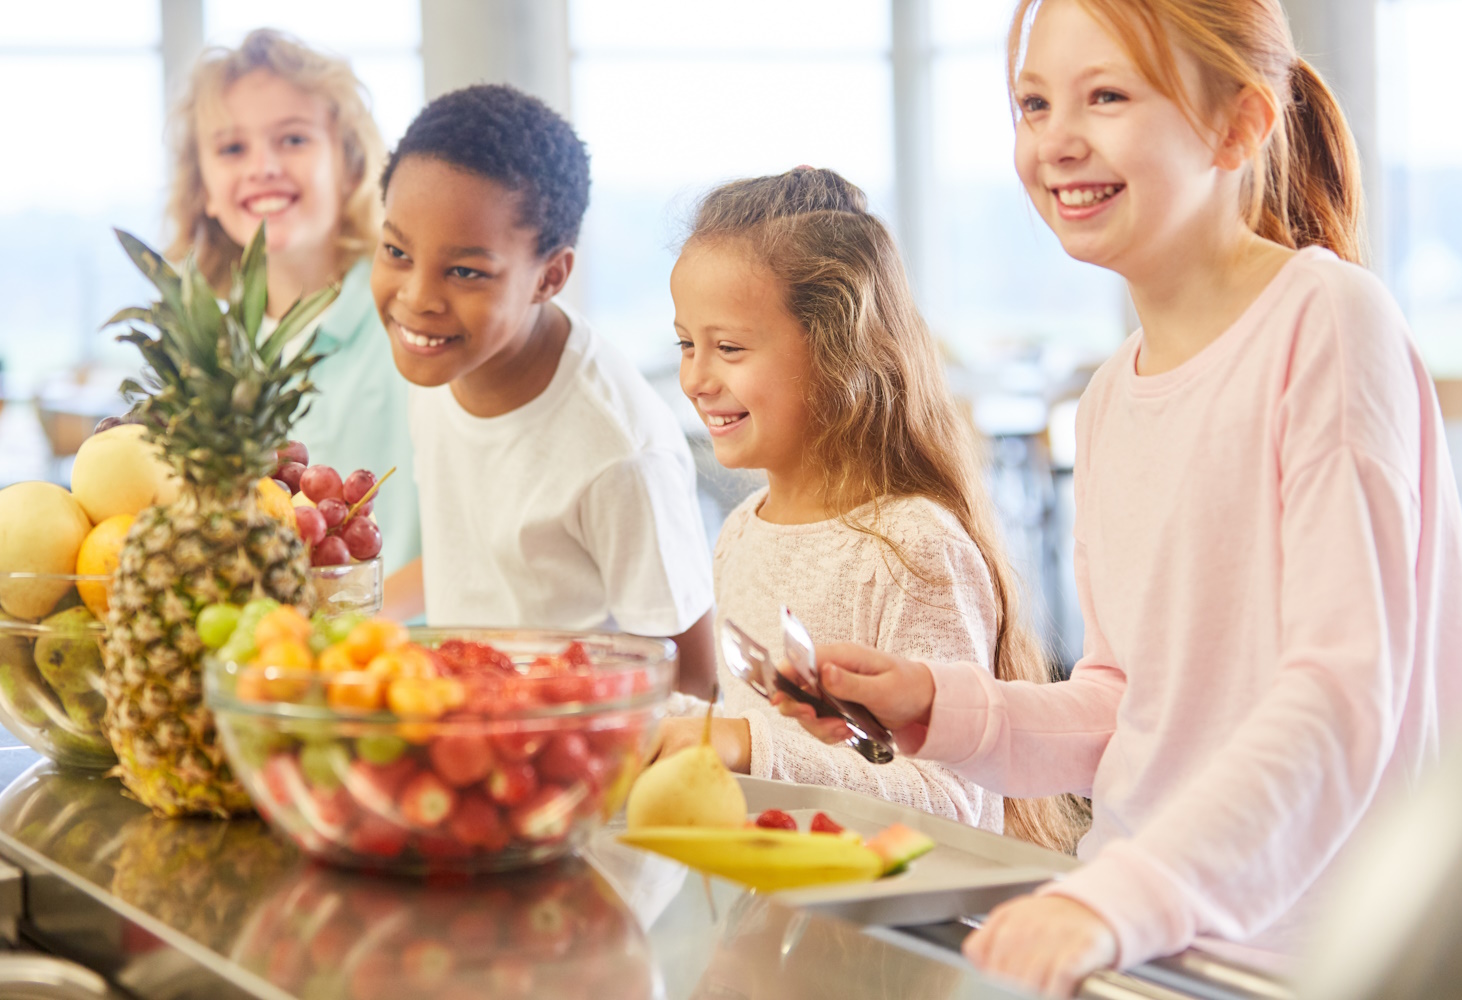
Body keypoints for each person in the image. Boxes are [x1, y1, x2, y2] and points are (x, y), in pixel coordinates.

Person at [778, 0, 1462, 993]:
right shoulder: (1112, 393)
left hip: (1311, 957)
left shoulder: (1328, 318)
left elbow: (1341, 689)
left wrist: (1119, 895)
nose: (1057, 141)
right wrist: (937, 707)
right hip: (1149, 944)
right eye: (1033, 103)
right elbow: (1125, 703)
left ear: (1239, 124)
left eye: (1106, 96)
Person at [661, 167, 1082, 851]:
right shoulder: (741, 533)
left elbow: (953, 804)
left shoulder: (911, 544)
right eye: (686, 343)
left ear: (836, 351)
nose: (695, 378)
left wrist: (744, 745)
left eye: (729, 348)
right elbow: (752, 746)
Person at [371, 84, 717, 698]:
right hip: (463, 727)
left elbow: (691, 678)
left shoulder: (619, 452)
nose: (417, 298)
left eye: (465, 271)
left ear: (550, 276)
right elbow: (481, 558)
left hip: (573, 762)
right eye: (397, 251)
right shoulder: (443, 361)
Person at [164, 29, 420, 573]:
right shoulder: (207, 361)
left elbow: (465, 537)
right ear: (203, 186)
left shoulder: (411, 322)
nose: (263, 167)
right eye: (232, 148)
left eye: (294, 139)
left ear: (350, 165)